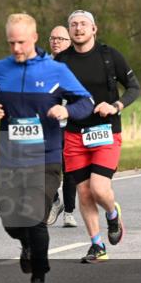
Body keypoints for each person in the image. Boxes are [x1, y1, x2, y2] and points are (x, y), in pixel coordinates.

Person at [0, 13, 93, 283]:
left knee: (34, 217)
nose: (16, 48)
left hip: (46, 157)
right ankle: (26, 244)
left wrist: (68, 110)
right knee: (9, 216)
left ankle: (39, 278)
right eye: (11, 43)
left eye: (21, 42)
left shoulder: (54, 70)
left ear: (33, 38)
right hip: (10, 157)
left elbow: (86, 101)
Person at [54, 10, 141, 263]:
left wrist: (116, 106)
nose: (78, 28)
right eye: (73, 25)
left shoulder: (109, 56)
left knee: (99, 188)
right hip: (73, 134)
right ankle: (97, 246)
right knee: (83, 193)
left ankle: (112, 214)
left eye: (83, 24)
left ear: (94, 29)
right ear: (69, 31)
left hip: (105, 131)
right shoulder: (61, 61)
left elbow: (134, 88)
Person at [46, 26, 79, 228]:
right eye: (53, 38)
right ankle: (54, 201)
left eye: (61, 38)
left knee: (70, 168)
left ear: (69, 41)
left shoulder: (78, 63)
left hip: (73, 122)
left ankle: (69, 211)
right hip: (49, 124)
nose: (56, 41)